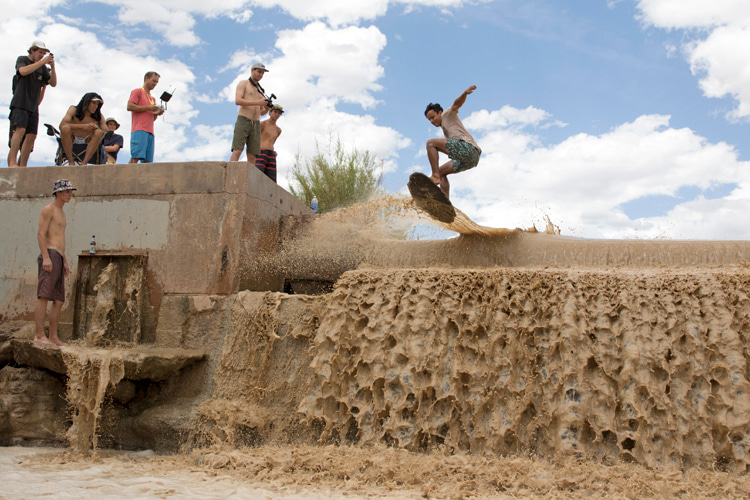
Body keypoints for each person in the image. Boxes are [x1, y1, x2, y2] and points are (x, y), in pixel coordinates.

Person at [34, 179, 76, 346]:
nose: (70, 194)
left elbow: (60, 238)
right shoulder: (49, 209)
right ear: (58, 192)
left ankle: (53, 337)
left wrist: (64, 260)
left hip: (58, 256)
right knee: (43, 295)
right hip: (49, 255)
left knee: (58, 300)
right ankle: (39, 335)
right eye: (67, 191)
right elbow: (41, 234)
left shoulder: (62, 212)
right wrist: (45, 257)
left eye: (71, 191)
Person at [424, 85, 482, 200]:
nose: (432, 121)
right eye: (429, 120)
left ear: (439, 112)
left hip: (468, 148)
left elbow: (456, 104)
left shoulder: (447, 114)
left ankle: (434, 177)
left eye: (433, 117)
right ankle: (445, 203)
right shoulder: (444, 127)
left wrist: (464, 93)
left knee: (431, 144)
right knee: (441, 172)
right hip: (470, 160)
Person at [7, 40, 57, 167]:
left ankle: (22, 164)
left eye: (43, 53)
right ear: (33, 50)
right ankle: (12, 162)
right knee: (20, 130)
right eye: (40, 52)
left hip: (33, 106)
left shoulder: (42, 67)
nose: (42, 55)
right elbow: (23, 71)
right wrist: (42, 62)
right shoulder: (22, 59)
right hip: (20, 102)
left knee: (31, 135)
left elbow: (52, 83)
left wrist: (52, 66)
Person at [230, 62, 271, 164]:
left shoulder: (261, 90)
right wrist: (258, 102)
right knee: (238, 150)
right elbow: (238, 101)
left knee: (252, 155)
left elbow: (261, 112)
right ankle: (230, 175)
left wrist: (267, 108)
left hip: (256, 123)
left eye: (262, 73)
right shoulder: (243, 83)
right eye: (258, 72)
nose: (260, 75)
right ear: (252, 70)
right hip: (244, 119)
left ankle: (250, 179)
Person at [59, 92, 106, 165]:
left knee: (98, 132)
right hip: (72, 138)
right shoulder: (73, 109)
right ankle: (71, 162)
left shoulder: (99, 116)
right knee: (65, 128)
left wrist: (97, 128)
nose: (95, 106)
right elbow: (62, 125)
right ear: (86, 102)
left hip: (88, 140)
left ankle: (84, 163)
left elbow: (106, 131)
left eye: (97, 104)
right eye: (93, 103)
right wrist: (83, 126)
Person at [127, 71, 164, 163]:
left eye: (156, 82)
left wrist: (157, 113)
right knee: (136, 157)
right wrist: (148, 107)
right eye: (153, 81)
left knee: (147, 162)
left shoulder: (153, 99)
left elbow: (152, 118)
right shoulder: (137, 91)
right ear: (147, 78)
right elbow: (129, 106)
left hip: (150, 132)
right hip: (139, 129)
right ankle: (126, 176)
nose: (155, 84)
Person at [255, 104, 283, 182]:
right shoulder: (262, 124)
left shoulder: (278, 130)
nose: (276, 114)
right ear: (270, 112)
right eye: (275, 112)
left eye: (279, 113)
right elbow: (254, 138)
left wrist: (273, 151)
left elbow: (272, 141)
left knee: (272, 179)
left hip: (271, 154)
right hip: (261, 151)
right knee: (257, 174)